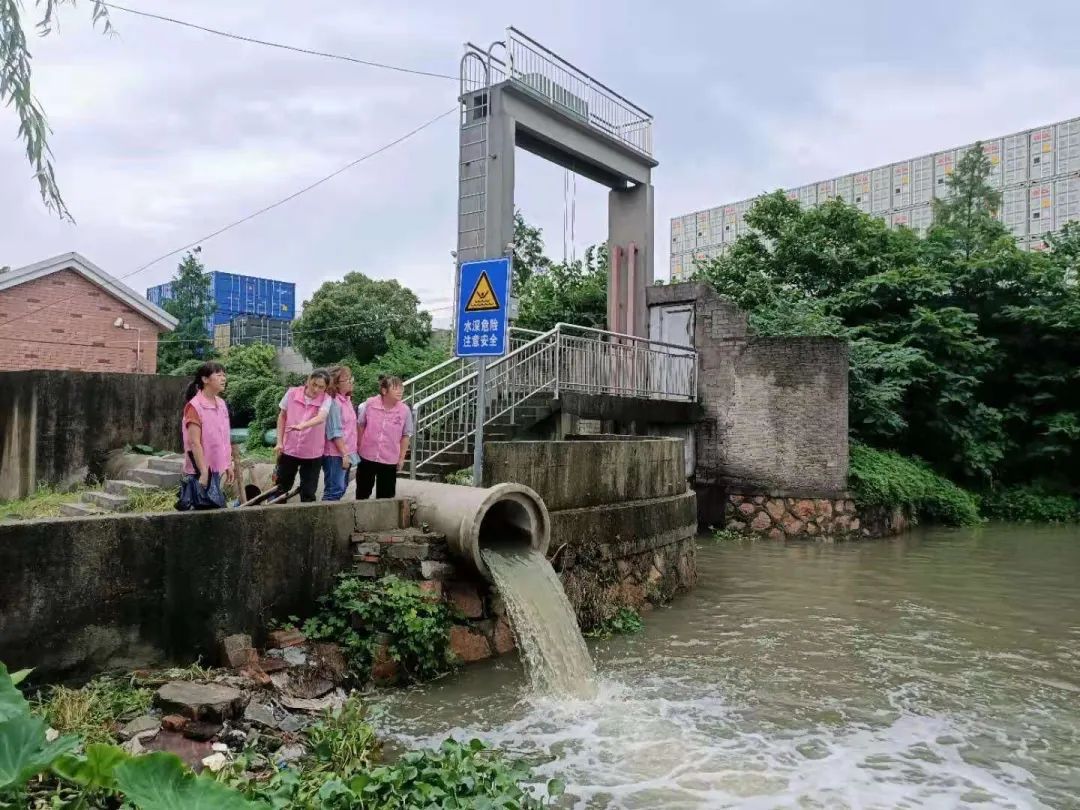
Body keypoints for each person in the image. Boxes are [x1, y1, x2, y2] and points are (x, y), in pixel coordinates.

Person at [178, 361, 234, 509]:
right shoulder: (194, 406)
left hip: (215, 469)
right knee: (198, 512)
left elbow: (224, 437)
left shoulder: (221, 404)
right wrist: (203, 471)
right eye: (218, 375)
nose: (223, 378)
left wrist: (228, 464)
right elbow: (194, 443)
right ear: (205, 379)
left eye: (224, 375)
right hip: (199, 471)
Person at [274, 369, 332, 502]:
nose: (316, 389)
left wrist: (302, 425)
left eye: (321, 387)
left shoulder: (327, 399)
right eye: (314, 384)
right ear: (308, 381)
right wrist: (279, 442)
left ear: (326, 388)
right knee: (281, 487)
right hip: (289, 449)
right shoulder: (292, 393)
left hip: (312, 453)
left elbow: (321, 417)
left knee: (308, 492)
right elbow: (282, 416)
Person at [356, 375, 413, 500]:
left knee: (386, 497)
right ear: (384, 391)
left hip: (389, 458)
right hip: (367, 455)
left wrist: (401, 458)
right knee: (362, 492)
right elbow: (360, 425)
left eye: (401, 388)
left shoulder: (404, 410)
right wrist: (359, 445)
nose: (400, 391)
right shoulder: (370, 404)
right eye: (396, 388)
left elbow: (406, 435)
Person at [321, 365, 359, 501]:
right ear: (335, 384)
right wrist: (344, 454)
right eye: (347, 380)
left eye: (351, 379)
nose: (351, 382)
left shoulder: (346, 401)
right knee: (334, 491)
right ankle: (323, 521)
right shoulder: (332, 403)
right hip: (335, 454)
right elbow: (334, 432)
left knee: (342, 487)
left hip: (346, 452)